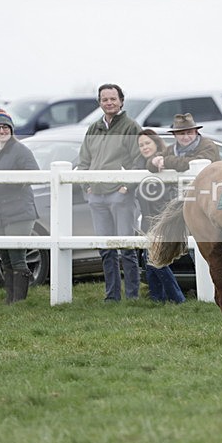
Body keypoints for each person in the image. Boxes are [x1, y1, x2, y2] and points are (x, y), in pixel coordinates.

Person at [78, 83, 142, 302]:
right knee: (106, 249)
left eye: (113, 99)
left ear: (121, 101)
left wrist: (126, 187)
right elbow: (84, 160)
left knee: (126, 247)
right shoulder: (93, 128)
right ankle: (112, 296)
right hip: (96, 195)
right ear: (100, 102)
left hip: (120, 195)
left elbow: (138, 159)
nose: (109, 103)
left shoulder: (131, 126)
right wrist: (86, 187)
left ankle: (132, 296)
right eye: (105, 99)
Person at [0, 110, 40, 304]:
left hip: (19, 212)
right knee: (6, 258)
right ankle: (10, 299)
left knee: (18, 258)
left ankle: (19, 301)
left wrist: (9, 183)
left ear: (11, 129)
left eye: (5, 127)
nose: (1, 130)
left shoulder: (21, 150)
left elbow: (34, 174)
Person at [137, 129, 186, 303]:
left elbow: (165, 195)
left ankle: (177, 298)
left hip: (161, 218)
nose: (144, 147)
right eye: (141, 145)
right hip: (148, 219)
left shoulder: (160, 162)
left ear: (156, 143)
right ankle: (158, 298)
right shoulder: (143, 165)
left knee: (156, 260)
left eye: (147, 143)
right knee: (149, 261)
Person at [147, 113, 219, 174]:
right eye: (181, 134)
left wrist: (166, 161)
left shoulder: (208, 146)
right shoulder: (171, 149)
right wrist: (154, 161)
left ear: (196, 132)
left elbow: (196, 163)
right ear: (174, 135)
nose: (186, 137)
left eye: (189, 133)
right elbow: (149, 164)